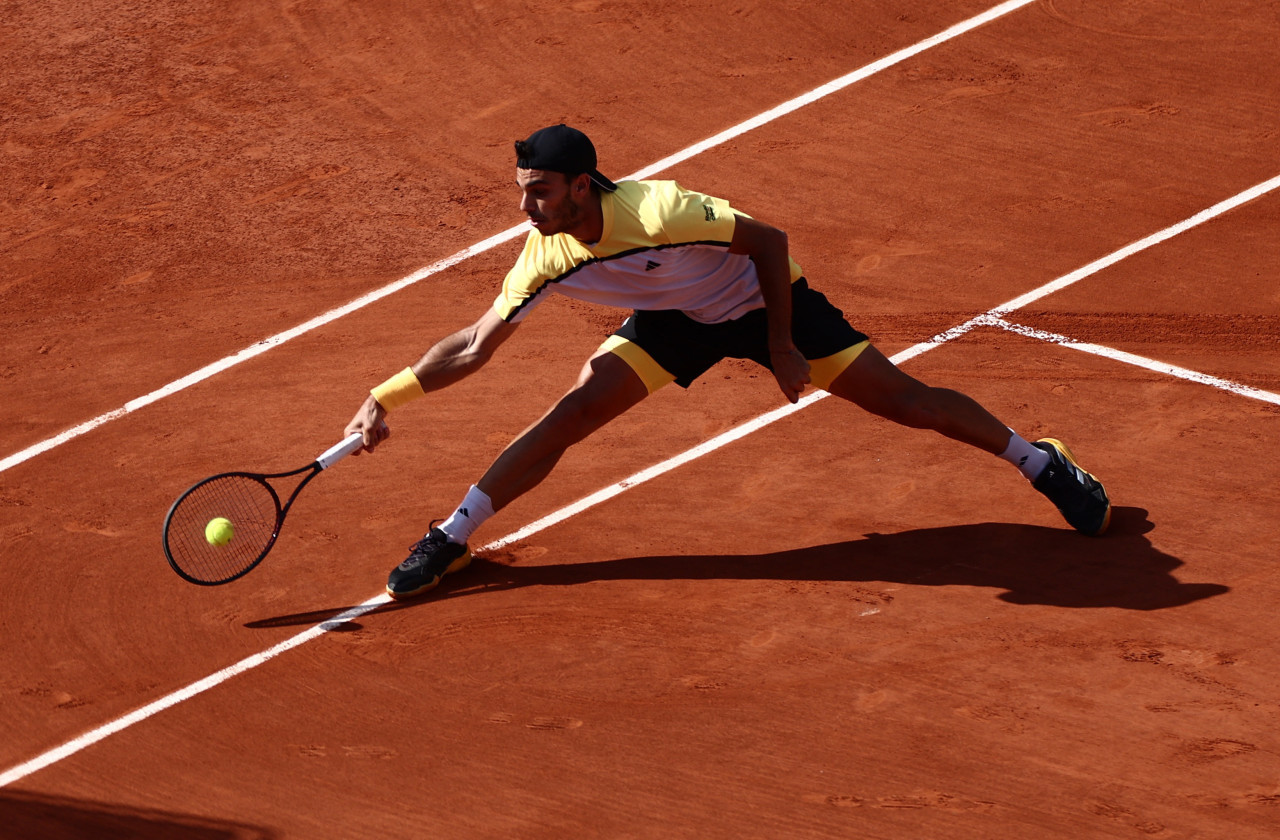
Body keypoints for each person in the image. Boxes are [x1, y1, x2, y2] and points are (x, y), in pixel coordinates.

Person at [345, 124, 1111, 600]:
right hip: (676, 320)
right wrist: (388, 395)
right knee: (570, 413)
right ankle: (451, 537)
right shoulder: (544, 255)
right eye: (522, 193)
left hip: (760, 300)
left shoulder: (660, 210)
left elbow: (770, 242)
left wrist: (781, 343)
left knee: (908, 403)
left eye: (539, 193)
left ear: (583, 184)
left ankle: (1041, 462)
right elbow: (476, 344)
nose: (526, 210)